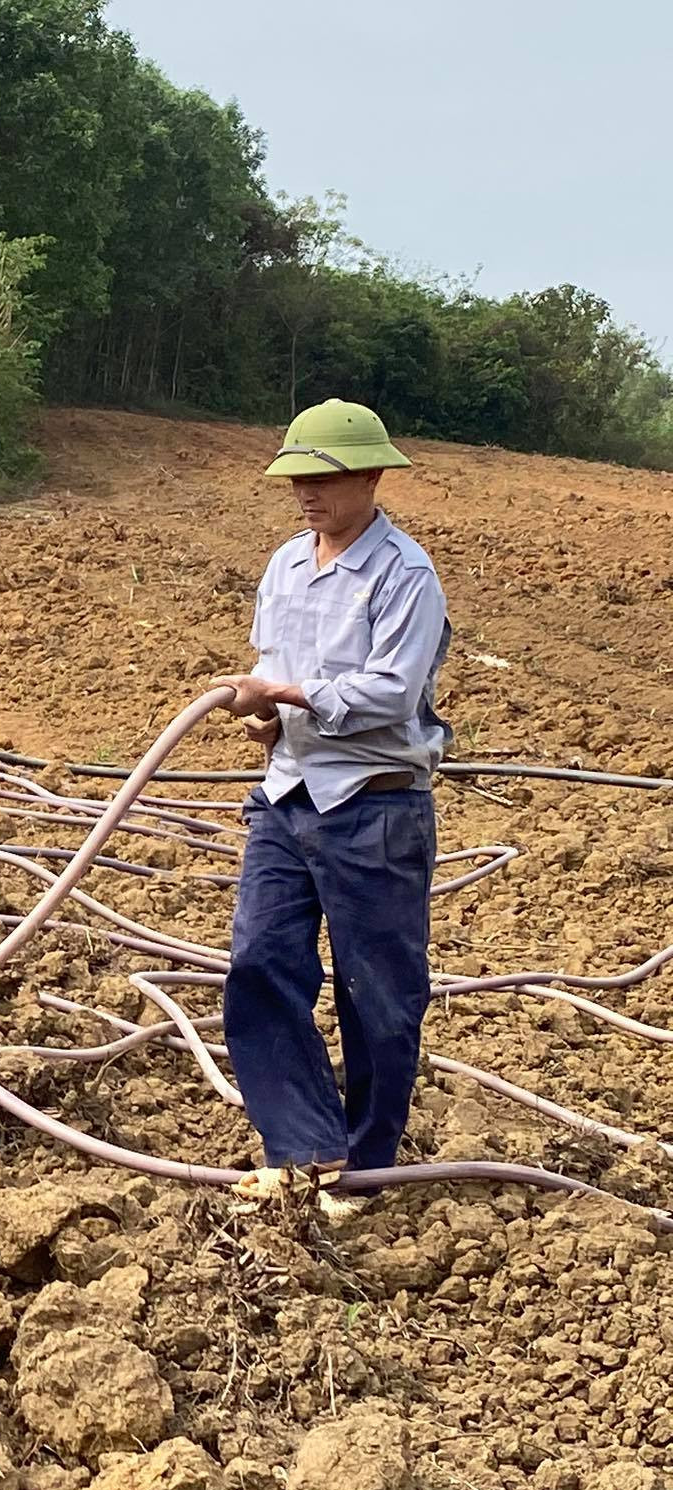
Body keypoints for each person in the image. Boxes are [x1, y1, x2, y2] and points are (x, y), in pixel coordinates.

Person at [211, 398, 450, 1195]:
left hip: (373, 807)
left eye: (325, 477)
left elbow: (389, 691)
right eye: (297, 478)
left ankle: (367, 1168)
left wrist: (286, 692)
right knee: (259, 963)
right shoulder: (285, 564)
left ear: (373, 475)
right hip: (286, 798)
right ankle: (306, 1153)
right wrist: (270, 717)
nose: (306, 493)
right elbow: (278, 667)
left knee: (377, 995)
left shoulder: (405, 575)